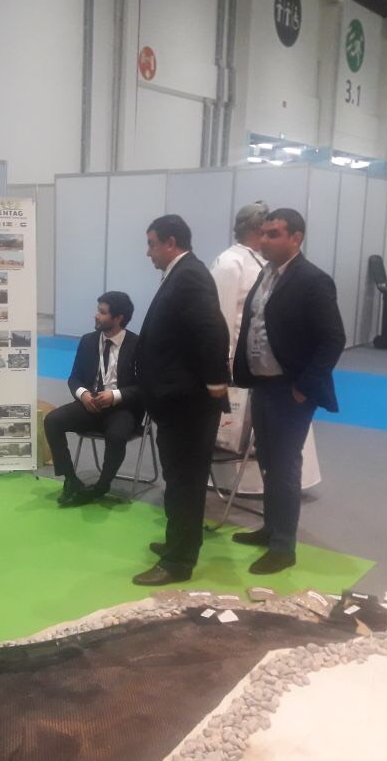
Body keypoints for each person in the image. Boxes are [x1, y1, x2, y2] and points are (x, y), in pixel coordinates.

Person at [232, 209, 346, 574]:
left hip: (290, 389)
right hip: (263, 384)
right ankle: (270, 529)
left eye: (274, 234)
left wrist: (303, 388)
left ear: (296, 238)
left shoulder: (313, 280)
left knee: (283, 466)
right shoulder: (266, 274)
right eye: (263, 233)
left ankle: (283, 547)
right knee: (267, 461)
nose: (264, 240)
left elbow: (333, 339)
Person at [132, 214, 230, 586]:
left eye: (152, 244)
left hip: (188, 403)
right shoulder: (182, 274)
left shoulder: (189, 275)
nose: (148, 253)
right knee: (177, 479)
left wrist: (216, 383)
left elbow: (212, 330)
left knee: (186, 482)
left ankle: (178, 562)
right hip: (176, 401)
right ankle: (179, 542)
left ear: (171, 242)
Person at [44, 291, 143, 506]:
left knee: (117, 436)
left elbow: (145, 386)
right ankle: (70, 480)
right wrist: (84, 394)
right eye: (98, 310)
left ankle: (101, 486)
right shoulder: (88, 341)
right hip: (90, 404)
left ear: (118, 318)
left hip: (122, 408)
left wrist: (114, 395)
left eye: (102, 312)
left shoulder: (137, 344)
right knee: (52, 420)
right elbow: (74, 378)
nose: (96, 315)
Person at [210, 201, 268, 351]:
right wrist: (226, 357)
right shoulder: (229, 261)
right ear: (259, 228)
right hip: (235, 356)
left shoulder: (263, 260)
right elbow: (221, 316)